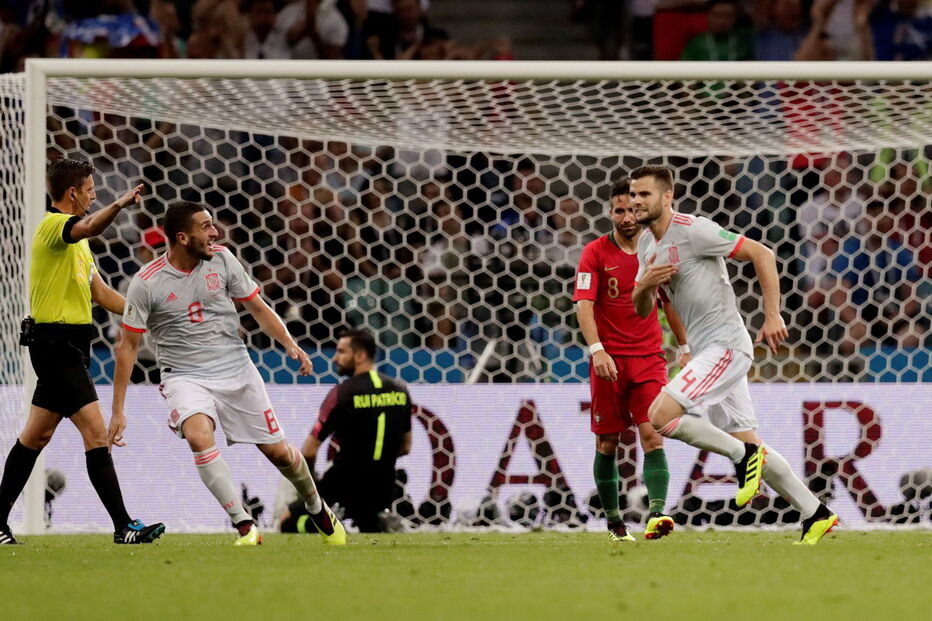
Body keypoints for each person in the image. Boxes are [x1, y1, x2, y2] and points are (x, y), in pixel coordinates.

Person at [111, 200, 345, 546]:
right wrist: (117, 410)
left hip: (235, 368)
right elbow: (127, 347)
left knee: (279, 453)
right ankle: (246, 526)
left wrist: (289, 344)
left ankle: (317, 507)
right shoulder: (146, 283)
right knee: (198, 435)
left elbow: (258, 308)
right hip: (184, 374)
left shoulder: (222, 259)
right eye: (205, 227)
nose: (215, 232)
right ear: (182, 237)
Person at [629, 164, 838, 545]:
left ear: (667, 196)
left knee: (660, 416)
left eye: (645, 194)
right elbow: (644, 308)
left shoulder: (695, 230)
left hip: (726, 345)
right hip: (707, 349)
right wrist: (645, 286)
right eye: (634, 194)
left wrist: (772, 314)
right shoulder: (646, 243)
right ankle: (815, 512)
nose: (636, 201)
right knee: (751, 441)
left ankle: (741, 457)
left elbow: (763, 253)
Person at [0, 158, 164, 545]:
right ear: (72, 192)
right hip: (54, 343)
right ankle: (124, 526)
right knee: (96, 433)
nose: (94, 194)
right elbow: (88, 224)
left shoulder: (80, 245)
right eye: (90, 188)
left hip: (69, 344)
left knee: (34, 438)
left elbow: (100, 293)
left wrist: (146, 312)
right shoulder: (54, 227)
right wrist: (120, 205)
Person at [573, 178, 689, 542]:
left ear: (642, 210)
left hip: (649, 359)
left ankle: (656, 515)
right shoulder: (594, 252)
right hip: (609, 362)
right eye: (619, 210)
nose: (626, 217)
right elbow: (584, 304)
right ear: (610, 212)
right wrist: (597, 350)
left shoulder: (658, 250)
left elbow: (669, 303)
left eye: (632, 209)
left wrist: (684, 347)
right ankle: (614, 523)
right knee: (608, 443)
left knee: (653, 436)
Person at [280, 329, 412, 533]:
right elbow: (406, 447)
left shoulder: (341, 394)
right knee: (367, 520)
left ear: (360, 355)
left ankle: (335, 523)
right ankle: (369, 519)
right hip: (385, 484)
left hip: (343, 480)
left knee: (286, 523)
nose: (334, 358)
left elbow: (308, 452)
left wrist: (311, 486)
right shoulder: (400, 390)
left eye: (341, 351)